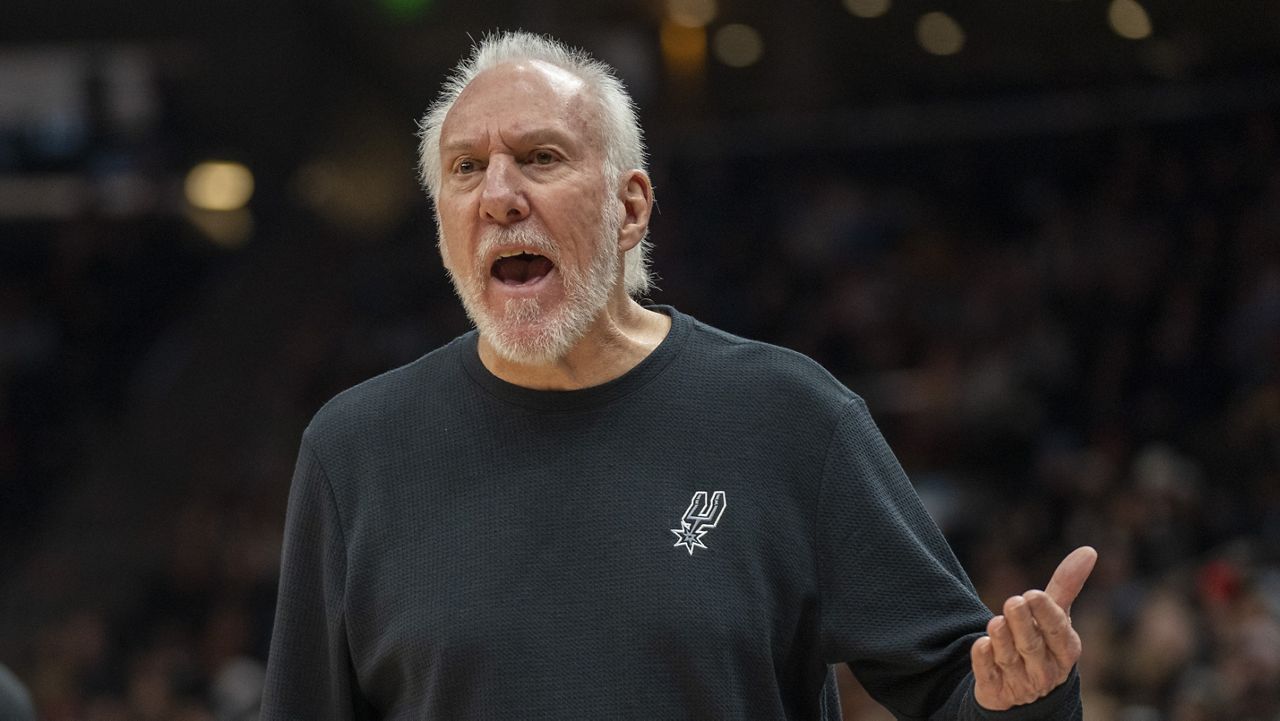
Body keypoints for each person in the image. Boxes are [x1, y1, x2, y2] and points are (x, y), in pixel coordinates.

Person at [261, 30, 1096, 720]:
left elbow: (955, 678)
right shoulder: (353, 451)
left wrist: (1024, 695)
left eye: (540, 157)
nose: (499, 194)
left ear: (630, 207)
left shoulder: (791, 417)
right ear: (441, 220)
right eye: (466, 168)